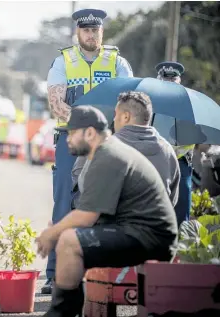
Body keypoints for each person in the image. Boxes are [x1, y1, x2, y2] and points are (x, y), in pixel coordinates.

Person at [36, 106, 178, 316]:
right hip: (139, 232)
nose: (67, 138)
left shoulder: (108, 154)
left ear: (90, 133)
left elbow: (86, 217)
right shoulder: (105, 152)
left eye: (73, 132)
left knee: (69, 241)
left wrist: (51, 233)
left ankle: (62, 312)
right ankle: (68, 309)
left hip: (150, 236)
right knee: (69, 238)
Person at [43, 8, 134, 294]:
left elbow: (131, 105)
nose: (91, 34)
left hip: (107, 143)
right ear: (78, 33)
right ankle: (55, 274)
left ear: (102, 33)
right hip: (70, 141)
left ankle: (100, 274)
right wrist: (86, 126)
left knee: (107, 205)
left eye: (95, 30)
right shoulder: (63, 61)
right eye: (86, 30)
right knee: (63, 204)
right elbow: (56, 102)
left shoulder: (118, 62)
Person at [72, 91, 180, 207]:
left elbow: (83, 185)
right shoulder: (168, 150)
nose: (113, 119)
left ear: (125, 117)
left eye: (115, 114)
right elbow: (172, 200)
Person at [155, 61, 194, 226]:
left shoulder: (189, 103)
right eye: (166, 80)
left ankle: (180, 249)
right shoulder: (150, 101)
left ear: (179, 81)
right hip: (155, 162)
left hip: (181, 163)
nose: (170, 83)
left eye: (173, 80)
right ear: (159, 80)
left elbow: (193, 135)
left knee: (181, 210)